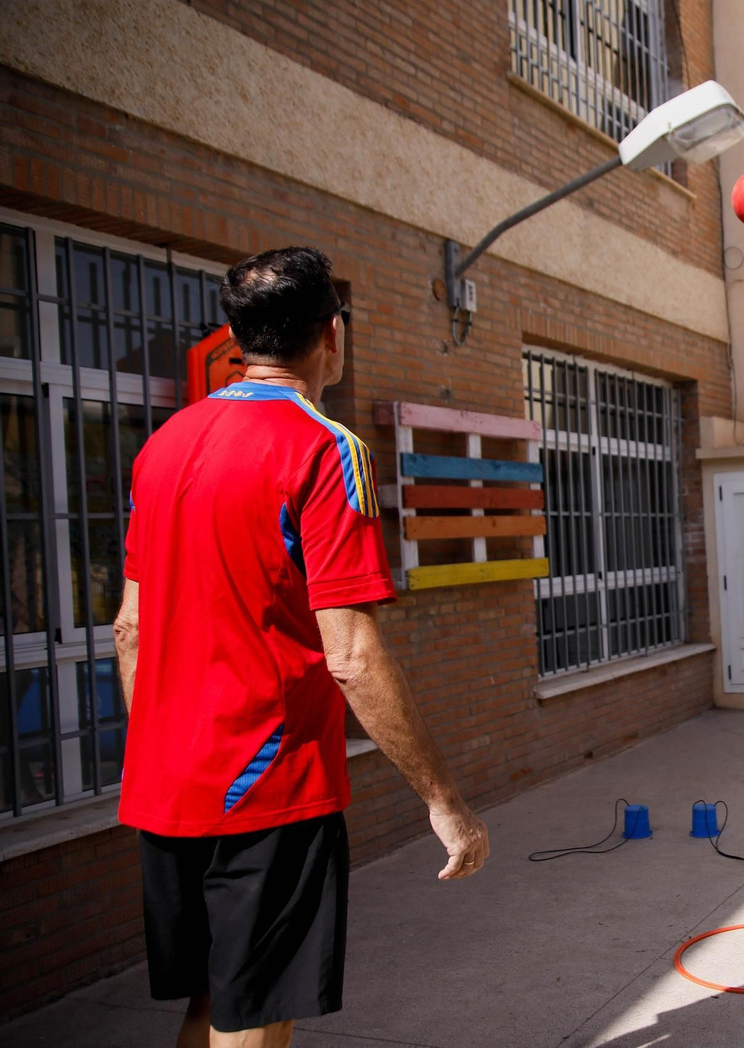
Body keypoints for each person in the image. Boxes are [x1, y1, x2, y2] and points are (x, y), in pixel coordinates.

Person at [114, 247, 490, 1048]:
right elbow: (350, 654)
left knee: (211, 1001)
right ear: (334, 335)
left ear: (234, 337)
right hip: (266, 782)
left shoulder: (162, 447)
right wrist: (444, 800)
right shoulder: (325, 448)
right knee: (256, 1014)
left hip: (167, 779)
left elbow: (130, 629)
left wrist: (159, 752)